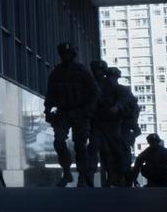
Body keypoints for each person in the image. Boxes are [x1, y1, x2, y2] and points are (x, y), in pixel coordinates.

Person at [45, 42, 100, 187]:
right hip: (63, 112)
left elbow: (95, 92)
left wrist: (88, 110)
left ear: (73, 55)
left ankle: (82, 175)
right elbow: (50, 93)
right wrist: (47, 110)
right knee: (58, 141)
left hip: (80, 112)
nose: (66, 56)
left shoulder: (82, 71)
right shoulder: (56, 72)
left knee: (80, 145)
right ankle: (67, 172)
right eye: (64, 54)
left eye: (68, 54)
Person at [87, 60, 121, 186]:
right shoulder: (90, 84)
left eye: (100, 70)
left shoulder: (111, 84)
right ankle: (89, 174)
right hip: (96, 121)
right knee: (93, 147)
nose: (98, 72)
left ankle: (112, 175)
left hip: (110, 122)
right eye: (96, 70)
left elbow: (121, 98)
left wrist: (116, 108)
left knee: (109, 150)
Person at [107, 67, 140, 186]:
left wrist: (130, 138)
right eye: (110, 77)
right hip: (113, 128)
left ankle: (125, 179)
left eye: (114, 78)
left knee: (123, 156)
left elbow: (136, 128)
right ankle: (116, 178)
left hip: (124, 129)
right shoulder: (106, 91)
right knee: (111, 155)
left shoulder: (124, 92)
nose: (111, 80)